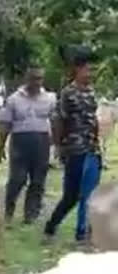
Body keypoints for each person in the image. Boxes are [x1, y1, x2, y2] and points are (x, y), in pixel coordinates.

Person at [44, 46, 101, 243]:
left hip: (92, 149)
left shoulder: (92, 93)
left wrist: (97, 141)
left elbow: (94, 119)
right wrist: (59, 146)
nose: (90, 73)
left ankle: (83, 233)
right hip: (74, 149)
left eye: (92, 70)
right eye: (87, 69)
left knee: (91, 194)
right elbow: (59, 120)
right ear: (77, 70)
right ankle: (51, 227)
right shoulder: (68, 93)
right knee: (72, 196)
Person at [0, 65, 56, 225]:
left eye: (40, 79)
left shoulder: (50, 98)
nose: (37, 82)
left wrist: (57, 144)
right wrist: (0, 147)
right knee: (17, 179)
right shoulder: (14, 99)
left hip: (41, 142)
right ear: (27, 79)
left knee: (38, 181)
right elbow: (5, 124)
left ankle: (31, 214)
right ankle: (9, 210)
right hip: (20, 142)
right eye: (34, 79)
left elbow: (56, 122)